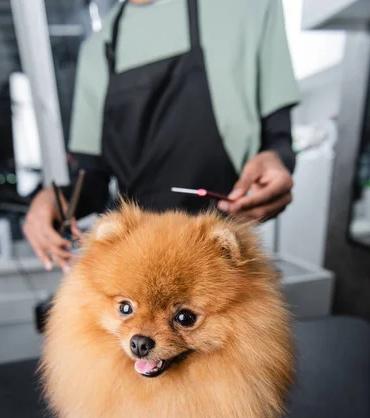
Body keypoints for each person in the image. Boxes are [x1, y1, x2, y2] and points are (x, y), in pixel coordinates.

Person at [24, 0, 300, 271]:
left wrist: (275, 161)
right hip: (138, 259)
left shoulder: (251, 7)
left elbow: (278, 140)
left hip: (225, 261)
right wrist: (51, 200)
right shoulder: (98, 49)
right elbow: (92, 182)